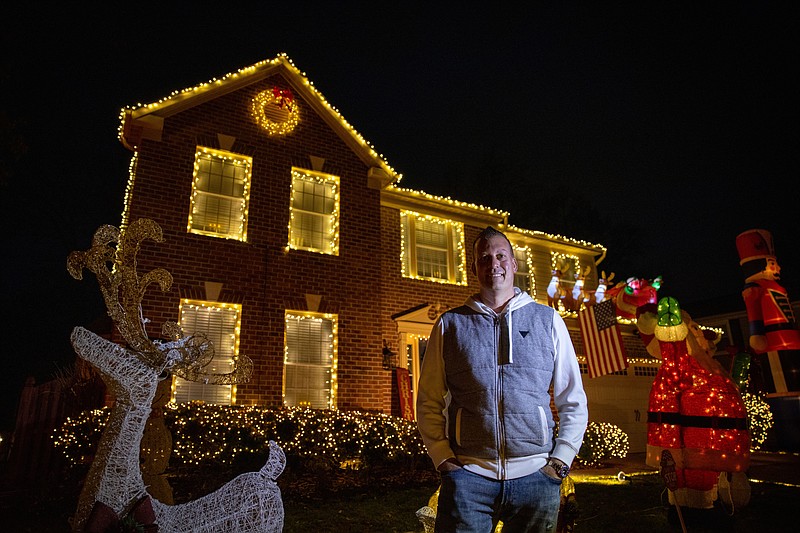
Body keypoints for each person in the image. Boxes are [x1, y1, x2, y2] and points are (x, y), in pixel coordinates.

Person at [416, 226, 588, 532]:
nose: (493, 263)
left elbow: (572, 398)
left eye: (500, 255)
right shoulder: (450, 325)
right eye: (484, 257)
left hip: (537, 479)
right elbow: (429, 398)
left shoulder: (547, 320)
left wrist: (559, 462)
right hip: (468, 479)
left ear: (514, 263)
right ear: (474, 268)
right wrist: (443, 459)